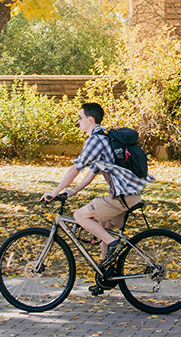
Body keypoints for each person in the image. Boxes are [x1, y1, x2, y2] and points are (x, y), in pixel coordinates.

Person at [42, 102, 154, 270]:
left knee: (79, 215)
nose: (77, 122)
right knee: (103, 227)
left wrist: (54, 191)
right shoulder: (104, 137)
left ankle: (113, 243)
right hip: (128, 195)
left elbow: (76, 168)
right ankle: (106, 273)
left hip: (121, 197)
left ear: (90, 119)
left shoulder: (95, 140)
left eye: (80, 118)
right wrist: (74, 191)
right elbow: (92, 172)